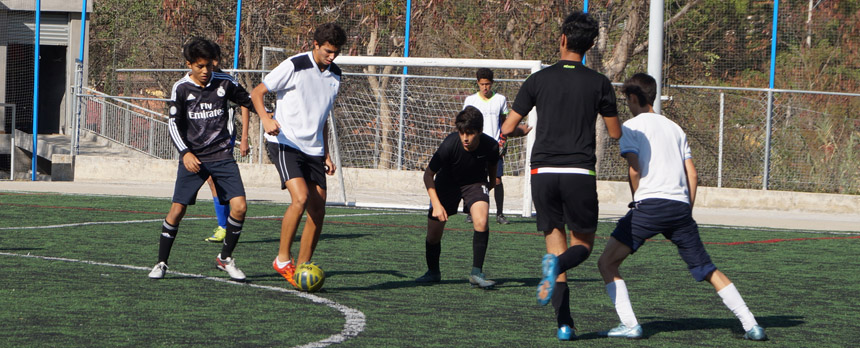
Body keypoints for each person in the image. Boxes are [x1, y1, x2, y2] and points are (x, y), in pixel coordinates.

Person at [596, 73, 767, 341]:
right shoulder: (675, 128)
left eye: (626, 99)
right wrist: (686, 211)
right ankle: (751, 325)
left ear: (632, 98)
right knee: (708, 268)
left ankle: (630, 324)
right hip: (679, 208)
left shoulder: (631, 127)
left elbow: (634, 169)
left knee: (607, 262)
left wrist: (638, 201)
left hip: (649, 206)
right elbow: (693, 175)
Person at [501, 11, 621, 341]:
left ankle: (565, 324)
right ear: (591, 45)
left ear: (563, 39)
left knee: (556, 247)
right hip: (579, 172)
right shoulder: (600, 83)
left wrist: (518, 132)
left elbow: (508, 127)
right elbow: (614, 133)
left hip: (542, 173)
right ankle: (555, 270)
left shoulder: (538, 80)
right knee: (581, 246)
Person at [148, 37, 254, 281]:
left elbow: (248, 101)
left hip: (222, 155)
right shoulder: (181, 88)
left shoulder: (224, 82)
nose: (206, 71)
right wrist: (185, 153)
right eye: (200, 66)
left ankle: (225, 259)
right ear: (189, 64)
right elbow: (173, 124)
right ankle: (161, 263)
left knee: (240, 207)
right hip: (194, 158)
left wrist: (269, 116)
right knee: (177, 210)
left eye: (209, 65)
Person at [250, 23, 346, 288]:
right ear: (315, 44)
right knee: (301, 197)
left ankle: (302, 268)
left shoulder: (336, 74)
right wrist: (266, 119)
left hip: (314, 149)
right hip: (284, 142)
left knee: (318, 209)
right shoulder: (294, 65)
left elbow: (323, 116)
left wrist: (326, 153)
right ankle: (282, 259)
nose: (332, 57)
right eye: (328, 51)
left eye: (336, 52)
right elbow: (257, 93)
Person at [415, 106, 499, 289]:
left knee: (482, 221)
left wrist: (485, 190)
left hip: (475, 183)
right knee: (433, 235)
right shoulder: (449, 144)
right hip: (447, 184)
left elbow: (493, 173)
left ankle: (476, 273)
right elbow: (428, 175)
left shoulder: (491, 146)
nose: (465, 138)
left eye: (470, 133)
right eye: (462, 133)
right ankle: (433, 272)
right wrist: (437, 205)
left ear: (480, 131)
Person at [204, 48, 251, 243]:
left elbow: (245, 103)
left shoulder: (226, 81)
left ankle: (225, 226)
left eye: (211, 61)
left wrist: (245, 137)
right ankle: (223, 225)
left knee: (217, 180)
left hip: (224, 138)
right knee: (211, 181)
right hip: (204, 140)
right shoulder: (200, 81)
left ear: (216, 61)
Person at [462, 68, 511, 225]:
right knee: (472, 178)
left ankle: (500, 213)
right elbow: (466, 123)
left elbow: (504, 123)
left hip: (494, 147)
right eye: (482, 84)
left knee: (496, 179)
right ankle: (470, 211)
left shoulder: (501, 100)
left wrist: (503, 141)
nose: (485, 87)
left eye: (488, 84)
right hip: (476, 146)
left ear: (492, 83)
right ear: (478, 83)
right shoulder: (470, 100)